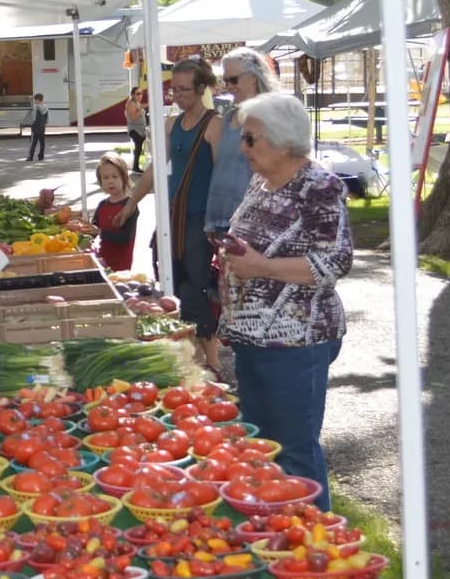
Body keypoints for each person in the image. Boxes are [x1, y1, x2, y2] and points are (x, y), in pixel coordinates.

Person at [218, 93, 352, 511]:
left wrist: (261, 267)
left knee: (295, 450)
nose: (243, 148)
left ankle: (318, 540)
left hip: (298, 342)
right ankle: (276, 530)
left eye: (250, 139)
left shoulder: (320, 187)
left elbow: (336, 260)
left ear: (281, 141)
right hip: (251, 338)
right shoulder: (261, 183)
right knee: (261, 444)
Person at [117, 58, 223, 375]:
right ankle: (188, 358)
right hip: (173, 218)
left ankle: (214, 363)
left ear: (202, 88)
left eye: (184, 89)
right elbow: (154, 170)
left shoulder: (214, 125)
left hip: (200, 220)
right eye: (173, 89)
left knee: (194, 289)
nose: (176, 95)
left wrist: (218, 225)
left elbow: (221, 178)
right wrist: (130, 202)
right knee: (172, 285)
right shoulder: (170, 124)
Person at [206, 48, 279, 237]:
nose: (228, 86)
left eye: (233, 80)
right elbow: (221, 168)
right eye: (225, 80)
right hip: (221, 218)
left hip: (254, 221)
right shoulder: (229, 116)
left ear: (253, 78)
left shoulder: (271, 116)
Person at [91, 153, 136, 272]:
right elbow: (92, 231)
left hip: (121, 265)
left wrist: (100, 232)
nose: (110, 181)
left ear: (124, 178)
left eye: (115, 176)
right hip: (102, 261)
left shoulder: (130, 206)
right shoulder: (102, 205)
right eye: (105, 178)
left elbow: (126, 238)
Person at [124, 85, 148, 168]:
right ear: (133, 95)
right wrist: (141, 108)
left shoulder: (137, 103)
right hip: (134, 129)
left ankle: (137, 166)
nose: (140, 95)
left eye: (141, 93)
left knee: (140, 147)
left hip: (141, 129)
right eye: (138, 94)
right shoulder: (130, 103)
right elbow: (133, 117)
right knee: (138, 148)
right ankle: (136, 167)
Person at [26, 92, 49, 161]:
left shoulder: (35, 107)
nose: (34, 101)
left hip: (35, 127)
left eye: (35, 99)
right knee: (42, 143)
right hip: (42, 127)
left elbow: (33, 118)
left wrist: (31, 124)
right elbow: (47, 118)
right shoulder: (46, 107)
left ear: (38, 100)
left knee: (33, 143)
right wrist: (44, 124)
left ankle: (30, 157)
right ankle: (41, 156)